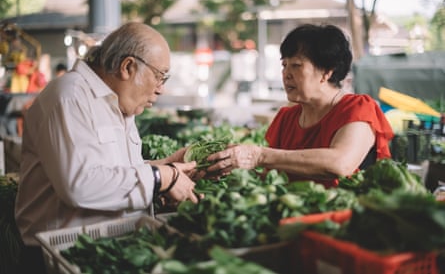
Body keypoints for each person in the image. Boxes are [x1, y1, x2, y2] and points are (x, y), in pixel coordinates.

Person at [15, 22, 200, 274]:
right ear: (128, 67)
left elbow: (112, 172)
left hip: (102, 250)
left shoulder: (118, 106)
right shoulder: (70, 97)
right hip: (58, 258)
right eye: (160, 75)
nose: (161, 88)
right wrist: (161, 178)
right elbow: (79, 185)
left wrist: (164, 167)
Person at [207, 23, 394, 187]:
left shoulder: (357, 109)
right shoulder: (286, 118)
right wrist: (226, 161)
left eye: (296, 65)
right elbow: (269, 176)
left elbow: (340, 163)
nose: (286, 74)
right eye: (284, 65)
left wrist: (259, 156)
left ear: (326, 72)